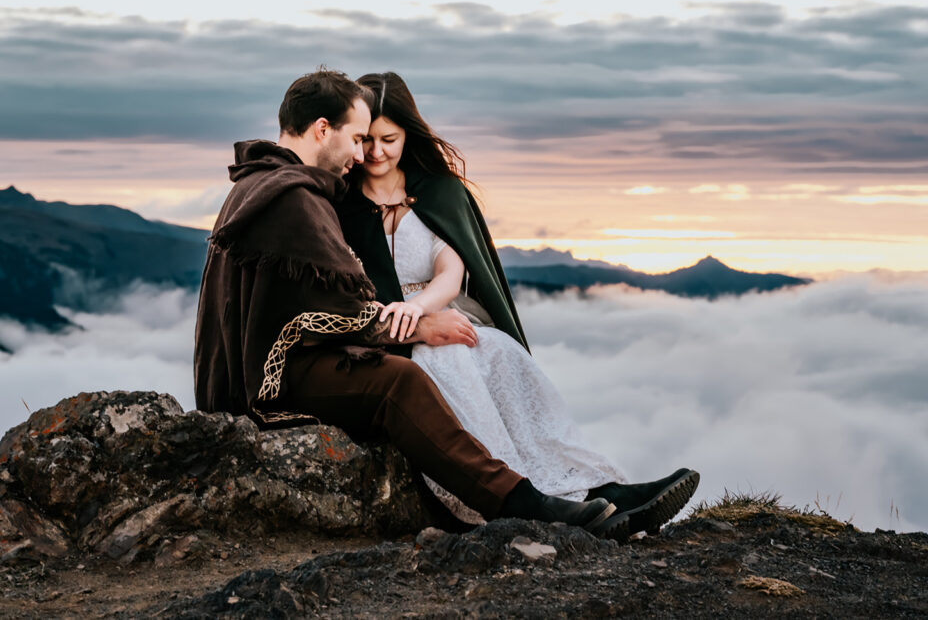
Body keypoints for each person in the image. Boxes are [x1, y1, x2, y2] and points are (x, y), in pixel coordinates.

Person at [193, 68, 626, 539]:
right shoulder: (294, 197)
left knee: (492, 359)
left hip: (257, 365)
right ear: (322, 130)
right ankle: (515, 501)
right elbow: (338, 306)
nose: (361, 154)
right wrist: (419, 328)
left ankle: (579, 482)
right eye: (356, 138)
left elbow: (300, 305)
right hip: (269, 382)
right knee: (398, 382)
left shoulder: (264, 181)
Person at [339, 71, 699, 534]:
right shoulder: (342, 202)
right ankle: (529, 498)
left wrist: (422, 308)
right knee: (452, 367)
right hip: (391, 338)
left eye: (389, 139)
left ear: (409, 133)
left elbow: (452, 270)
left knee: (502, 358)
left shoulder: (439, 192)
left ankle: (595, 487)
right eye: (366, 140)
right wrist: (411, 324)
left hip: (440, 311)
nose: (376, 152)